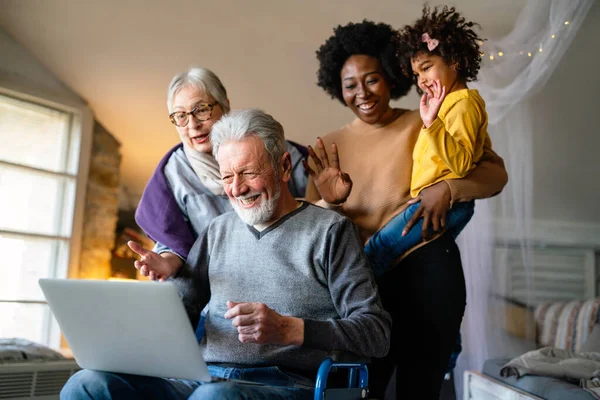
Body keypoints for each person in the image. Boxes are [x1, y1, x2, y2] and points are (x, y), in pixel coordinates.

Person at [60, 108, 391, 400]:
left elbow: (376, 334)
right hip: (204, 380)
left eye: (248, 173)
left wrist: (290, 329)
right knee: (87, 385)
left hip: (287, 385)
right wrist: (134, 320)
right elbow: (182, 311)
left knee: (215, 397)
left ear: (285, 166)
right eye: (228, 176)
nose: (238, 188)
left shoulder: (330, 231)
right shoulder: (217, 230)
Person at [305, 20, 508, 399]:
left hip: (430, 275)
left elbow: (495, 174)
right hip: (365, 289)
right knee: (365, 389)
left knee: (421, 388)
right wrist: (328, 201)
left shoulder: (427, 117)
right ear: (338, 87)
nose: (362, 93)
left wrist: (448, 189)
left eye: (373, 79)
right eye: (350, 84)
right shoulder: (327, 146)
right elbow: (313, 234)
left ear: (392, 78)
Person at [131, 67, 308, 338]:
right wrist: (166, 262)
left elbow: (314, 216)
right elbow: (175, 242)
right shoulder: (174, 173)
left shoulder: (281, 154)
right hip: (215, 285)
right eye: (180, 116)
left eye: (201, 109)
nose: (193, 124)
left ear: (225, 106)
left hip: (282, 274)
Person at [363, 5, 491, 276]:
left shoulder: (464, 104)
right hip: (433, 202)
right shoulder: (447, 105)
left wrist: (432, 124)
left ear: (455, 60)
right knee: (397, 259)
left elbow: (462, 165)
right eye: (417, 74)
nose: (421, 80)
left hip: (451, 204)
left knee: (376, 250)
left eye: (426, 68)